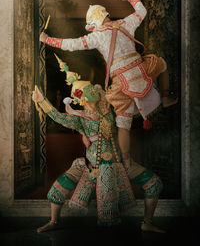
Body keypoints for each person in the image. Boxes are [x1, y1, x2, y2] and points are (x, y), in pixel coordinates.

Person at [40, 0, 178, 167]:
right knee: (162, 64)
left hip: (121, 81)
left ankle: (126, 161)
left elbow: (72, 45)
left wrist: (47, 39)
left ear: (94, 22)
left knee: (123, 123)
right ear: (105, 15)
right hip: (140, 69)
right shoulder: (126, 23)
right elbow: (141, 10)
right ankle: (165, 98)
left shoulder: (96, 36)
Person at [32, 59, 165, 233]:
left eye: (95, 88)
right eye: (91, 89)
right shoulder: (79, 118)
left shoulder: (110, 110)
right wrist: (42, 101)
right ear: (83, 97)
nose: (96, 89)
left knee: (154, 184)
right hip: (90, 167)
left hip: (119, 163)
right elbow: (58, 117)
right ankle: (53, 221)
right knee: (57, 190)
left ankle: (147, 222)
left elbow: (126, 106)